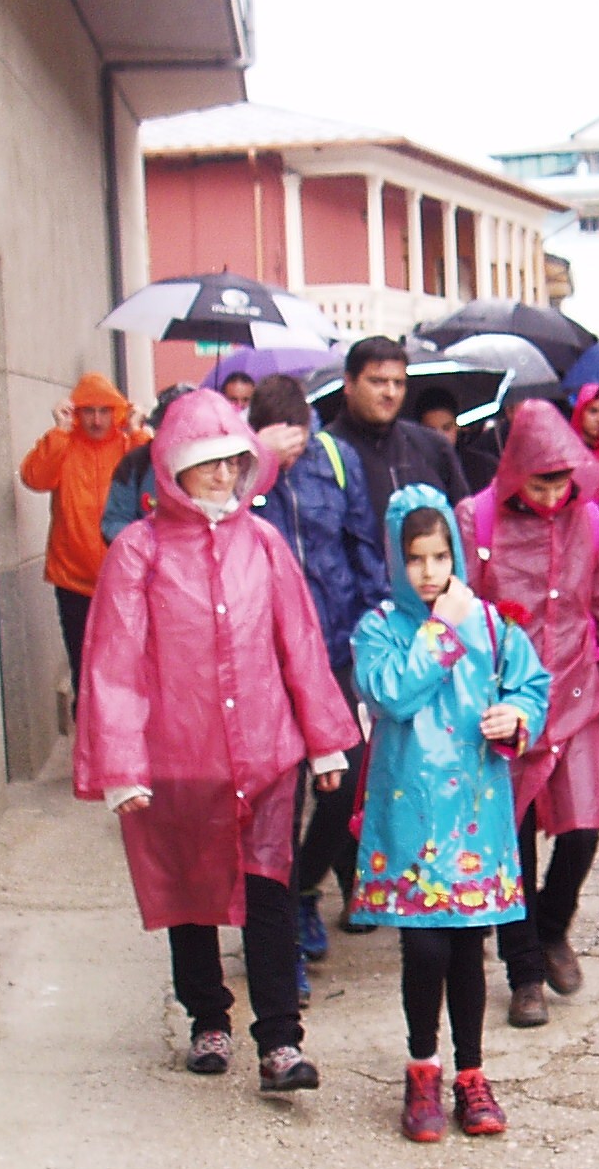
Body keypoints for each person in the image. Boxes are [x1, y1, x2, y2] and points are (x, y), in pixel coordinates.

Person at [72, 389, 358, 1093]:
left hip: (265, 756)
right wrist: (122, 765)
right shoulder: (138, 552)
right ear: (174, 468)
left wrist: (324, 741)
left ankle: (280, 1041)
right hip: (178, 760)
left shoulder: (264, 544)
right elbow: (114, 661)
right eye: (208, 463)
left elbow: (299, 643)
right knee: (189, 893)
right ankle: (207, 1017)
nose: (224, 476)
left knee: (268, 891)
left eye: (234, 462)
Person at [351, 488, 552, 1141]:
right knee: (424, 946)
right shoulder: (379, 628)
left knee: (469, 944)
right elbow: (390, 694)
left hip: (475, 811)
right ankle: (422, 1069)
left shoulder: (490, 623)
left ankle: (471, 1072)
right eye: (415, 558)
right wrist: (440, 630)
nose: (429, 572)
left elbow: (532, 683)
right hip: (410, 816)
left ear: (457, 554)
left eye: (440, 556)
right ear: (395, 558)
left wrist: (517, 716)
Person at [458, 401, 599, 1029]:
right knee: (511, 842)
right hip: (503, 707)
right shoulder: (476, 520)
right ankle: (524, 974)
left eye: (560, 483)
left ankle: (552, 925)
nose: (550, 497)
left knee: (584, 827)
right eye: (539, 484)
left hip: (575, 695)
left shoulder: (587, 520)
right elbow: (455, 612)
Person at [246, 376, 388, 991]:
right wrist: (259, 464)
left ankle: (305, 887)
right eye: (284, 441)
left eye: (300, 439)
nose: (295, 451)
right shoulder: (242, 472)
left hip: (335, 651)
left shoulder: (336, 458)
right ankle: (280, 945)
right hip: (265, 664)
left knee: (346, 785)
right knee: (275, 805)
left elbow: (364, 547)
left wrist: (376, 630)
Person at [19, 372, 147, 694]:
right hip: (73, 580)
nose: (96, 420)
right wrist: (59, 432)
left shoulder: (128, 445)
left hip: (124, 578)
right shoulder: (65, 445)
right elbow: (34, 478)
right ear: (77, 412)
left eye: (104, 411)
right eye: (88, 411)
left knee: (128, 666)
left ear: (116, 412)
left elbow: (154, 481)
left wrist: (138, 432)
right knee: (83, 668)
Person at [331, 336, 475, 522]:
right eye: (378, 382)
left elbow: (463, 523)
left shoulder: (432, 446)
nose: (390, 393)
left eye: (398, 383)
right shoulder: (325, 453)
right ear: (349, 383)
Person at [100, 383, 195, 545]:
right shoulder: (137, 464)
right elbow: (113, 523)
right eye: (167, 427)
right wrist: (149, 545)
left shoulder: (220, 465)